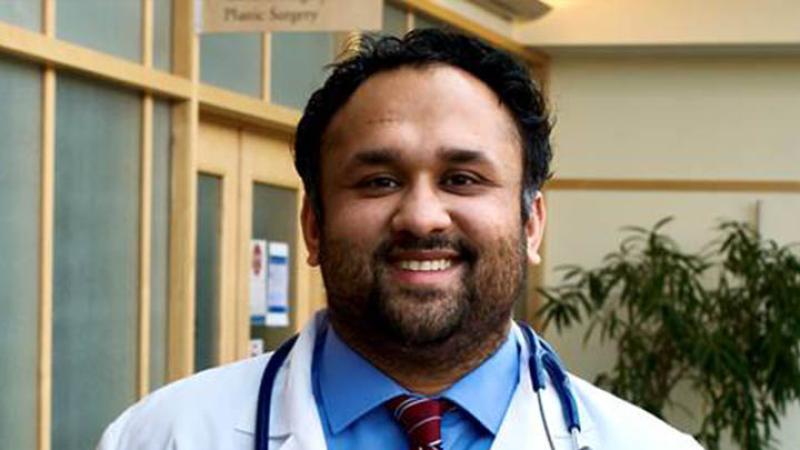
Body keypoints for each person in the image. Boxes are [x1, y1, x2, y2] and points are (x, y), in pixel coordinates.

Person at [97, 29, 702, 450]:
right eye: (378, 180)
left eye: (462, 179)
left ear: (531, 223)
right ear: (313, 226)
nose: (421, 216)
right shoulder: (160, 436)